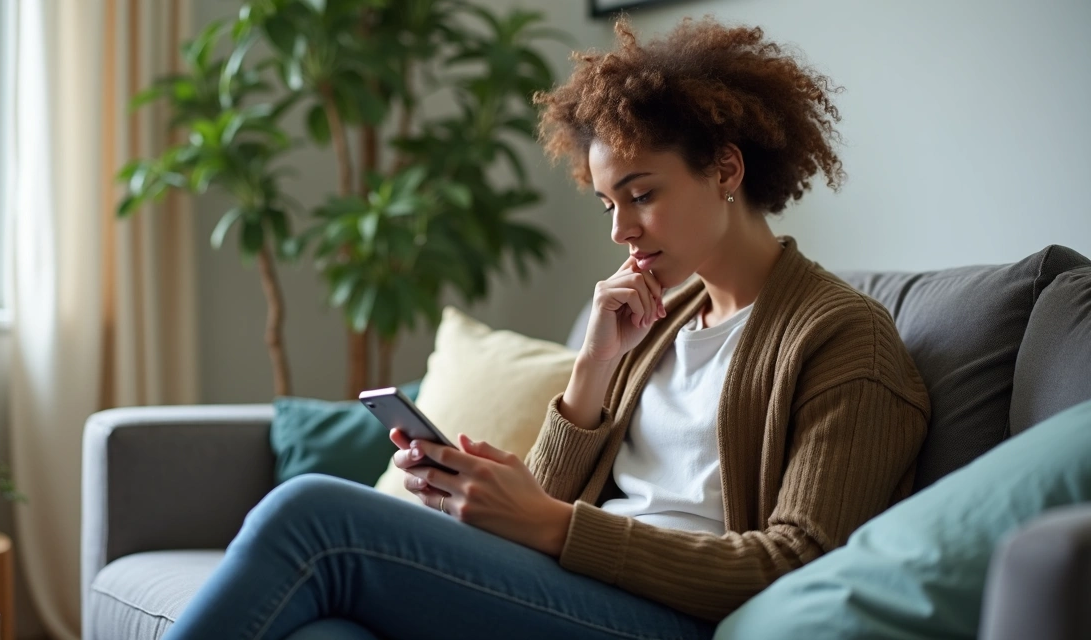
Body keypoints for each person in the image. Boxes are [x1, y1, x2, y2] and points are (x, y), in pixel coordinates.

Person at [164, 15, 930, 640]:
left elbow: (796, 563)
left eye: (641, 194)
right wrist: (593, 368)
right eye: (608, 204)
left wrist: (558, 526)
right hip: (583, 584)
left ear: (726, 171)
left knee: (311, 514)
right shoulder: (666, 319)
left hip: (675, 618)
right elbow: (554, 505)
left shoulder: (841, 337)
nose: (620, 230)